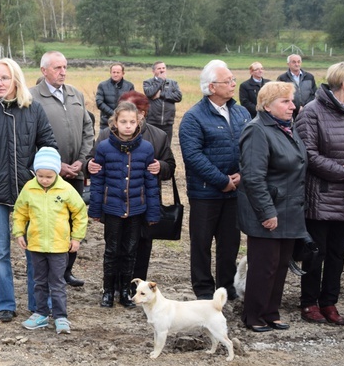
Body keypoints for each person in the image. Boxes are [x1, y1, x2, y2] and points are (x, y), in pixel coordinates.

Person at [0, 58, 57, 323]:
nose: (0, 83)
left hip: (29, 195)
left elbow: (49, 147)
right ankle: (5, 305)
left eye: (5, 78)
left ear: (16, 79)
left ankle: (38, 303)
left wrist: (34, 178)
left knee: (34, 250)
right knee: (0, 253)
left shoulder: (34, 110)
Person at [295, 62, 344, 325]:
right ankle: (309, 303)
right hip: (321, 197)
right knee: (316, 252)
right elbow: (310, 156)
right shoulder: (311, 113)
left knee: (339, 254)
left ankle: (330, 302)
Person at [86, 90, 175, 286]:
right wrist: (88, 166)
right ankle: (113, 285)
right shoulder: (105, 136)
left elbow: (171, 166)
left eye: (133, 116)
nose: (127, 122)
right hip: (115, 202)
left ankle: (135, 286)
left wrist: (161, 166)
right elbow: (91, 161)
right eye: (121, 114)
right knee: (114, 246)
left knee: (140, 247)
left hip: (143, 201)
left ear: (141, 115)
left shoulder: (158, 136)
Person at [238, 82, 307, 332]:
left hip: (289, 211)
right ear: (267, 106)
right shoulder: (257, 130)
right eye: (285, 101)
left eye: (292, 101)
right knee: (263, 266)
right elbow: (254, 177)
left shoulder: (286, 128)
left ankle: (271, 312)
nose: (293, 106)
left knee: (279, 266)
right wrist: (267, 212)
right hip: (268, 212)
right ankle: (253, 315)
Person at [179, 60, 251, 300]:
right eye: (227, 81)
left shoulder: (241, 112)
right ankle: (203, 291)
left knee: (229, 244)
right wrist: (222, 181)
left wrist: (241, 173)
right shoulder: (193, 118)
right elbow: (193, 156)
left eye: (233, 79)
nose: (233, 84)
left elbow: (250, 147)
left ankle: (226, 288)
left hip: (235, 192)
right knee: (201, 243)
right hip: (205, 193)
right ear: (211, 87)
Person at [88, 101, 161, 308]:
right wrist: (95, 208)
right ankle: (108, 291)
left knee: (130, 251)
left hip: (136, 210)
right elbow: (98, 181)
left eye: (132, 121)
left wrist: (153, 212)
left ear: (138, 122)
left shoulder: (146, 148)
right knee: (111, 251)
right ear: (115, 123)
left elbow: (150, 184)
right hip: (112, 209)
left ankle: (126, 292)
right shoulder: (103, 147)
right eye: (123, 121)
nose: (128, 126)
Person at [31, 51, 94, 289]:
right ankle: (47, 274)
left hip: (75, 172)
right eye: (57, 67)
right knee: (48, 223)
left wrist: (82, 160)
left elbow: (88, 129)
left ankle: (66, 270)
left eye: (65, 67)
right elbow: (29, 138)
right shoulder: (32, 97)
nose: (63, 72)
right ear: (44, 70)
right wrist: (55, 166)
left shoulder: (75, 94)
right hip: (45, 176)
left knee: (71, 221)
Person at [12, 147, 87, 334]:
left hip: (59, 246)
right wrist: (19, 233)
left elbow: (79, 212)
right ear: (35, 173)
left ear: (56, 173)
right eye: (40, 176)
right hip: (36, 245)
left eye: (49, 176)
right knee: (39, 281)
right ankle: (41, 314)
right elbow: (20, 212)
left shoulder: (66, 189)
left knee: (58, 282)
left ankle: (61, 316)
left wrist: (76, 238)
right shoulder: (29, 188)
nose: (44, 180)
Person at [143, 61, 183, 143]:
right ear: (153, 71)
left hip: (168, 122)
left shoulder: (173, 83)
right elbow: (150, 93)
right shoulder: (147, 82)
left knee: (166, 147)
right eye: (159, 68)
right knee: (152, 145)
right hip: (152, 122)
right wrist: (160, 80)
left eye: (163, 68)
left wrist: (161, 94)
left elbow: (178, 97)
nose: (162, 70)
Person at [95, 63, 135, 131]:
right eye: (113, 72)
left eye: (118, 72)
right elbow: (99, 102)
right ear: (110, 73)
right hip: (106, 123)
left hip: (124, 123)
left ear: (123, 73)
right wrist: (113, 114)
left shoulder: (129, 86)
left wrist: (122, 115)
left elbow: (132, 103)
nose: (115, 74)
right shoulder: (102, 85)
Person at [277, 54, 316, 119]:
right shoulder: (282, 78)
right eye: (294, 62)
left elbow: (314, 94)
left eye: (298, 62)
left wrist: (305, 107)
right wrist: (297, 107)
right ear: (288, 64)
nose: (297, 64)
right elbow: (281, 97)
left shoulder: (309, 77)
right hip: (290, 113)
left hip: (308, 112)